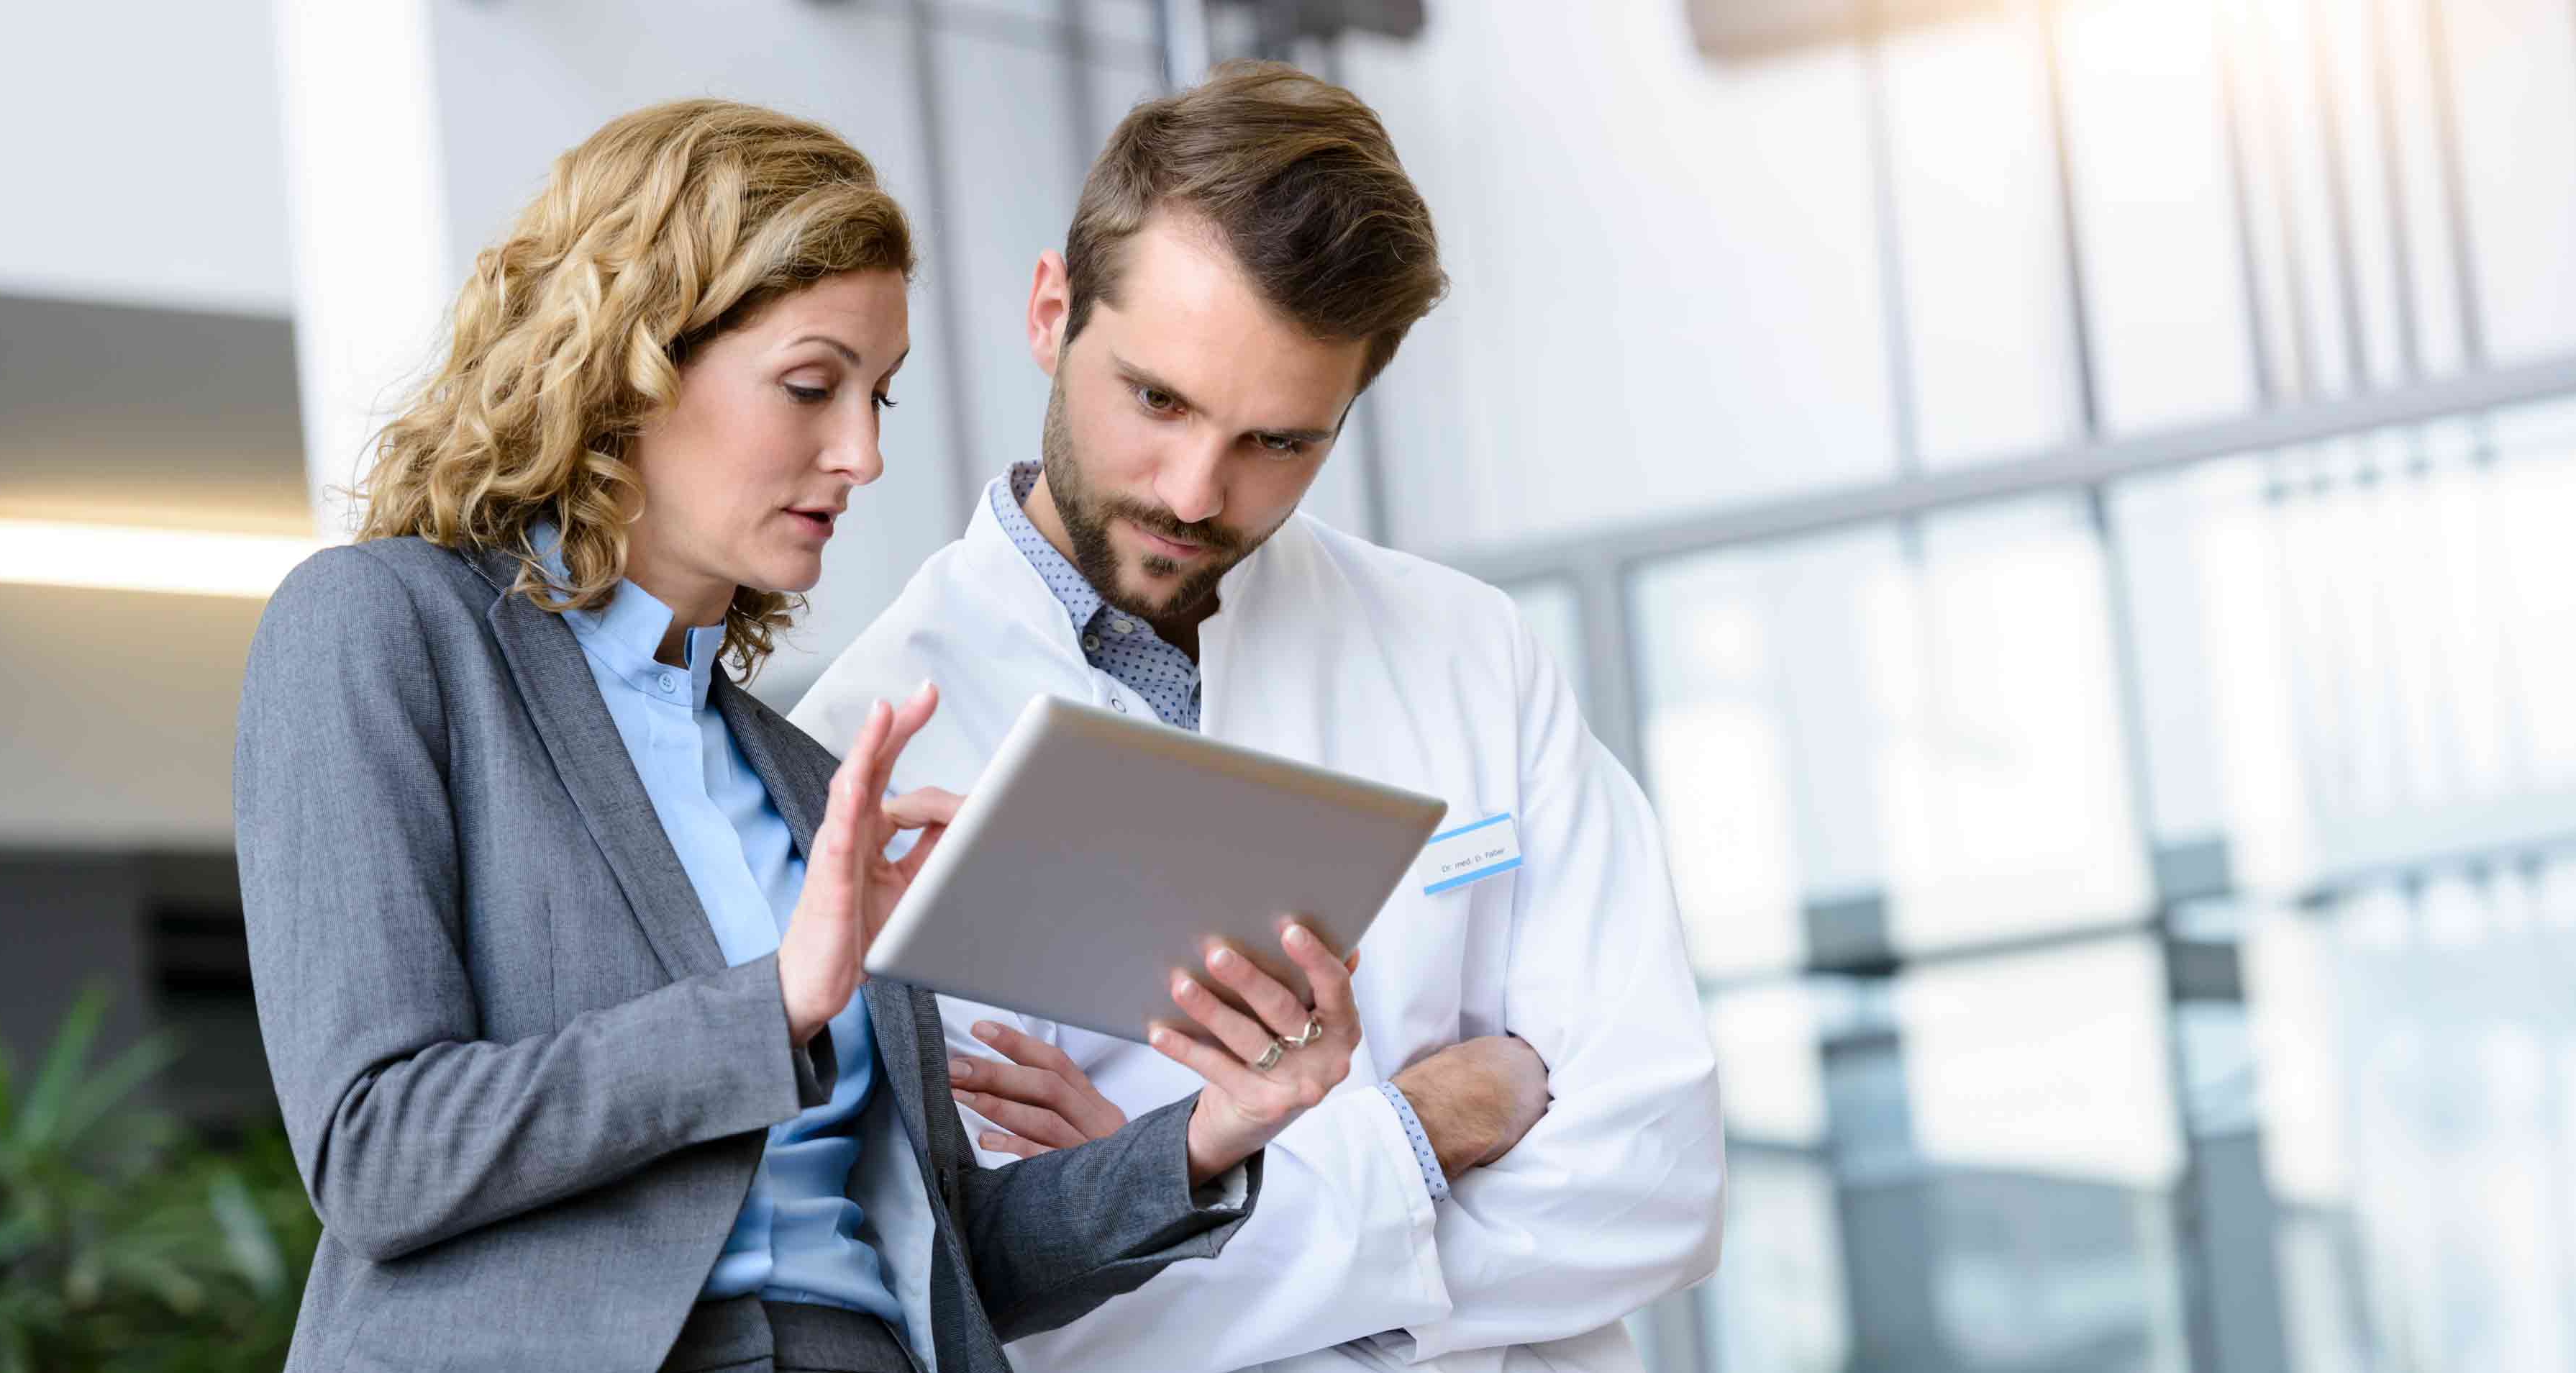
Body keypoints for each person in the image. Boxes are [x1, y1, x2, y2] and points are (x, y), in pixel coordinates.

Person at [233, 98, 1367, 1373]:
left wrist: (1217, 1130)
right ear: (631, 354)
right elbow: (378, 1151)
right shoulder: (387, 629)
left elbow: (949, 1260)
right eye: (812, 386)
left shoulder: (799, 776)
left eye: (878, 396)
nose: (864, 454)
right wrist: (777, 1003)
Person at [790, 63, 1724, 1373]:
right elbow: (1010, 1308)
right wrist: (1421, 1132)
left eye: (1279, 442)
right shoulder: (867, 749)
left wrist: (1181, 1208)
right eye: (1158, 400)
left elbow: (1659, 1181)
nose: (1193, 489)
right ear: (1053, 312)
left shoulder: (1469, 653)